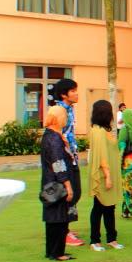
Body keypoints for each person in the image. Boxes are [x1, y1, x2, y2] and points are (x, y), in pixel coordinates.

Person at [40, 105, 78, 261]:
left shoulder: (49, 135)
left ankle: (52, 251)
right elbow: (58, 164)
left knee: (52, 219)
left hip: (50, 183)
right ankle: (57, 253)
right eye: (65, 116)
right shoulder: (54, 138)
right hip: (58, 185)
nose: (66, 118)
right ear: (58, 118)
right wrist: (68, 186)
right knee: (60, 218)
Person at [88, 100, 124, 251]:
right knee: (98, 208)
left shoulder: (105, 130)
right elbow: (101, 156)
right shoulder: (98, 131)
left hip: (110, 174)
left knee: (110, 207)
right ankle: (94, 240)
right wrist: (108, 176)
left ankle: (111, 239)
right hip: (103, 176)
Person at [54, 78, 84, 248]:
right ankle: (63, 232)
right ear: (63, 94)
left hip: (72, 157)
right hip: (64, 158)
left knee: (76, 192)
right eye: (72, 91)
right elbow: (56, 134)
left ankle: (66, 228)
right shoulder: (59, 111)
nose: (76, 94)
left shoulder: (70, 109)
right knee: (68, 194)